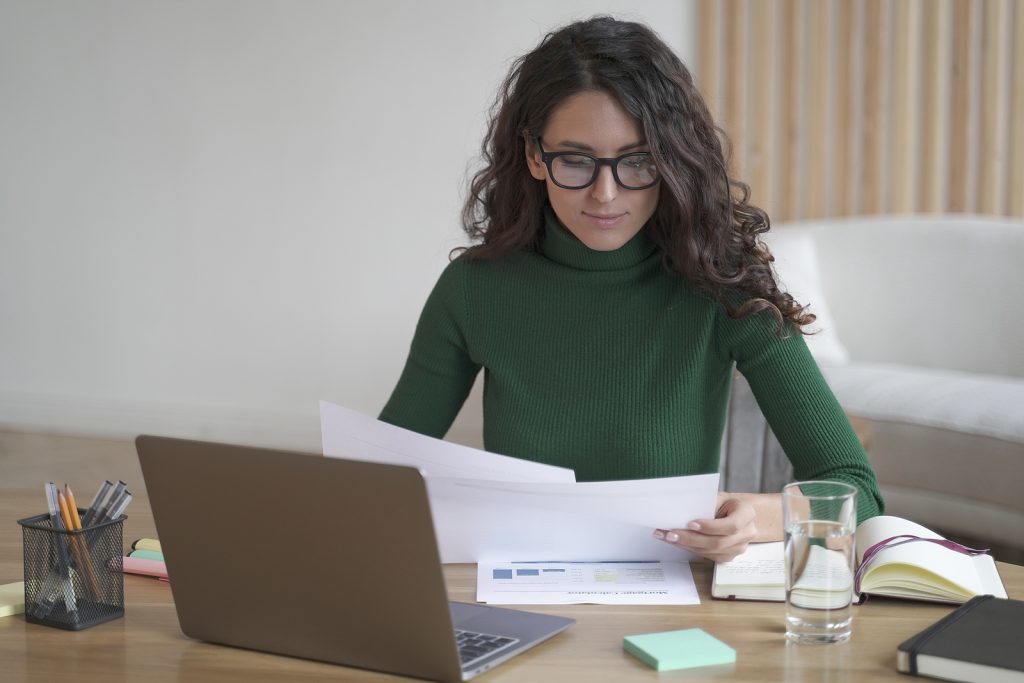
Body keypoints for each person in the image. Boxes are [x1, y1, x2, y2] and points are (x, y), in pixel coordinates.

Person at [379, 16, 883, 562]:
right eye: (575, 160)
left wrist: (755, 517)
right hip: (523, 590)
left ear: (669, 159)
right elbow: (373, 479)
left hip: (675, 602)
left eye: (637, 161)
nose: (605, 193)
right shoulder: (473, 290)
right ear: (533, 156)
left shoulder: (723, 284)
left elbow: (858, 490)